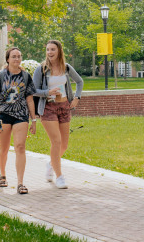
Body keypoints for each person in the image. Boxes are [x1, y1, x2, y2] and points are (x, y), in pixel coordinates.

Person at [32, 40, 84, 189]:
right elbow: (33, 90)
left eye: (53, 49)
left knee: (64, 145)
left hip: (64, 107)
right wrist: (47, 92)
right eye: (48, 49)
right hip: (48, 108)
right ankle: (59, 176)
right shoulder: (41, 69)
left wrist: (76, 97)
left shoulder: (66, 68)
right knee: (56, 142)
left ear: (59, 51)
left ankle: (51, 164)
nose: (50, 52)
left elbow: (80, 81)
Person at [0, 47, 37, 195]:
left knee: (20, 147)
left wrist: (33, 119)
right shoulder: (0, 75)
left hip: (21, 114)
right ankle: (2, 175)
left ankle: (20, 183)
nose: (17, 59)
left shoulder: (26, 76)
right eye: (14, 56)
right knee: (3, 148)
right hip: (3, 114)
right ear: (8, 59)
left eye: (19, 56)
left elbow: (30, 99)